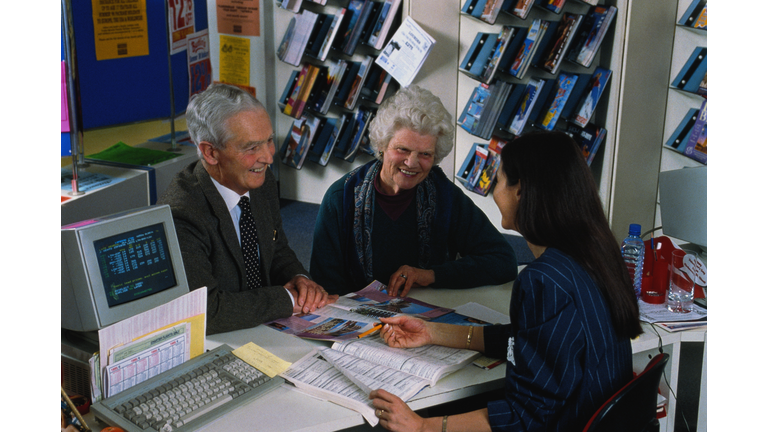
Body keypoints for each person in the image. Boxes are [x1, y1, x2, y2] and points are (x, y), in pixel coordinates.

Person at [369, 130, 643, 432]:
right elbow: (528, 339)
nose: (493, 191)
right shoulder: (595, 253)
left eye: (498, 180)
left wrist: (423, 426)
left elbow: (525, 418)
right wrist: (432, 332)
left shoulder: (544, 281)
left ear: (520, 191)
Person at [158, 83, 334, 335]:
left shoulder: (260, 179)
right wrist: (289, 300)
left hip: (262, 325)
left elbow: (277, 248)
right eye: (251, 148)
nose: (268, 157)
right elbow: (206, 311)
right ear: (210, 153)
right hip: (220, 339)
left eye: (269, 141)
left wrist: (299, 279)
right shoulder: (181, 214)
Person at [310, 85, 517, 297]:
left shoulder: (445, 196)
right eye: (403, 149)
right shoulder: (341, 198)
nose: (411, 163)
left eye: (425, 154)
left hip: (428, 317)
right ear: (382, 145)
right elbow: (325, 286)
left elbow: (502, 259)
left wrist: (431, 275)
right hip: (358, 319)